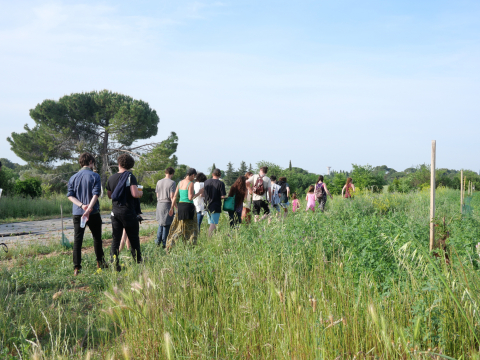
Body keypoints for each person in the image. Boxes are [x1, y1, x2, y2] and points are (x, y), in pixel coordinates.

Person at [67, 153, 106, 276]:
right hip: (93, 213)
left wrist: (81, 206)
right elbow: (96, 194)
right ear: (90, 162)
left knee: (78, 240)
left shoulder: (73, 177)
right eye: (93, 163)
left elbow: (70, 195)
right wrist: (89, 208)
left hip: (78, 213)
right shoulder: (95, 176)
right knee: (97, 238)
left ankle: (76, 267)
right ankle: (100, 262)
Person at [106, 154, 143, 271]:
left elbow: (110, 196)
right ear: (130, 165)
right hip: (128, 212)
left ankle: (114, 264)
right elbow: (135, 194)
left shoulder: (111, 178)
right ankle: (138, 262)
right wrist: (140, 192)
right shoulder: (130, 176)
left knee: (116, 239)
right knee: (134, 239)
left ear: (119, 163)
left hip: (115, 212)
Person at [166, 168, 201, 249]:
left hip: (180, 206)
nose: (194, 178)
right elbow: (190, 197)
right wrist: (199, 193)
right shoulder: (190, 183)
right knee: (192, 228)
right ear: (192, 175)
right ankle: (191, 246)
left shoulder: (180, 183)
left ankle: (170, 243)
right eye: (194, 177)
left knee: (180, 227)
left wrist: (172, 208)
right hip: (188, 207)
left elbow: (174, 196)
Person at [155, 167, 176, 248]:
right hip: (167, 204)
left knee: (161, 223)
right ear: (172, 174)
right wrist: (174, 206)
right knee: (167, 224)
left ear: (165, 172)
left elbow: (157, 194)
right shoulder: (172, 182)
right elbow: (172, 196)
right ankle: (164, 243)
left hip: (159, 203)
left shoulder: (159, 182)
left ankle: (157, 241)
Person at [204, 168, 227, 237]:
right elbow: (223, 196)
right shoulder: (221, 183)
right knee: (213, 223)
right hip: (216, 205)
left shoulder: (206, 182)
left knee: (210, 222)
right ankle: (209, 238)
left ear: (212, 174)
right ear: (220, 175)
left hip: (207, 204)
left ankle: (212, 237)